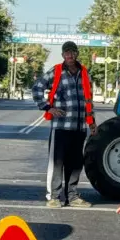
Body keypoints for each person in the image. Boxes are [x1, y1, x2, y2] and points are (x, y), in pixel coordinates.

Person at [32, 41, 97, 208]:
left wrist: (92, 123)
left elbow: (88, 100)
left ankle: (72, 196)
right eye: (66, 53)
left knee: (75, 164)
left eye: (72, 52)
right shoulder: (57, 71)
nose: (70, 56)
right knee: (57, 162)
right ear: (63, 55)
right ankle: (54, 197)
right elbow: (37, 87)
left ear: (77, 54)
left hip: (79, 127)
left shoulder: (84, 73)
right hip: (61, 127)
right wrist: (48, 107)